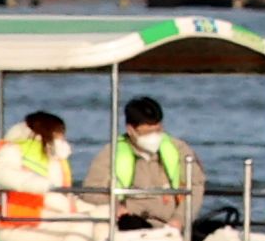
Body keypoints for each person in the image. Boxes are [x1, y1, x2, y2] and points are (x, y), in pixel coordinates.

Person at [82, 97, 206, 232]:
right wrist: (116, 207)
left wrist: (179, 219)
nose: (153, 137)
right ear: (131, 130)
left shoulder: (180, 149)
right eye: (147, 132)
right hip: (130, 225)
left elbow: (195, 187)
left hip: (171, 227)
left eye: (157, 130)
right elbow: (90, 192)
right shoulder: (111, 153)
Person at [0, 111, 104, 241]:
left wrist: (98, 209)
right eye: (59, 134)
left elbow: (63, 199)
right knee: (81, 224)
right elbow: (1, 174)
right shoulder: (14, 150)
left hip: (45, 220)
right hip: (14, 225)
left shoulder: (53, 159)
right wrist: (34, 183)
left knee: (102, 218)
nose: (63, 139)